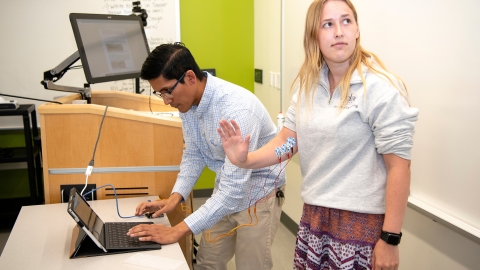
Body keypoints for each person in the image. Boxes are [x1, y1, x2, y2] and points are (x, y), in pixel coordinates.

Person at [217, 0, 419, 269]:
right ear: (315, 35)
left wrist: (390, 239)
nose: (338, 31)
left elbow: (399, 166)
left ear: (357, 29)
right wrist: (245, 160)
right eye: (328, 24)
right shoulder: (308, 86)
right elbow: (288, 142)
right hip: (315, 220)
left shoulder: (380, 88)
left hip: (362, 229)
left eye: (346, 21)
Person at [126, 42, 286, 270]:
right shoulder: (188, 104)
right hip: (226, 191)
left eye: (168, 91)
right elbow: (194, 153)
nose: (166, 101)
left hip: (258, 195)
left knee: (251, 266)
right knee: (207, 263)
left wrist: (176, 231)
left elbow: (234, 191)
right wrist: (175, 198)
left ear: (190, 77)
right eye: (159, 93)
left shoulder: (237, 110)